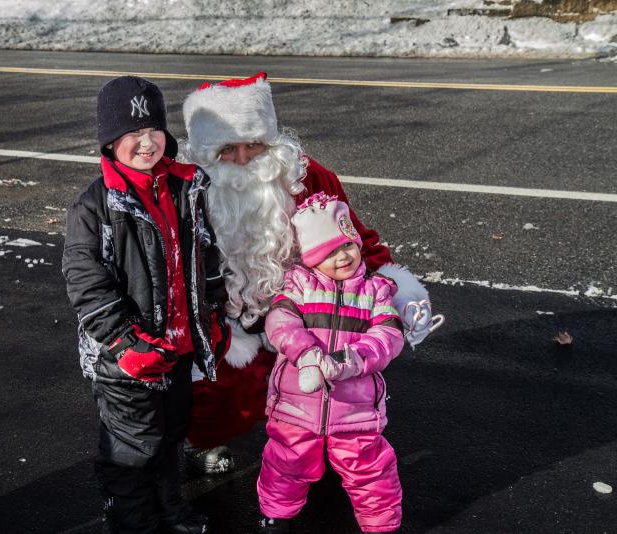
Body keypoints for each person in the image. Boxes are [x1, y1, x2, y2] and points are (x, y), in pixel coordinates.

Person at [179, 72, 438, 472]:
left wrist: (397, 290)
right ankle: (202, 442)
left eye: (255, 145)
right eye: (229, 149)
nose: (245, 159)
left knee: (331, 374)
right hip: (219, 318)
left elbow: (353, 236)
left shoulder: (303, 175)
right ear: (206, 152)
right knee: (215, 395)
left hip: (305, 307)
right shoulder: (185, 190)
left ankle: (327, 440)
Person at [62, 76, 228, 534]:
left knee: (171, 436)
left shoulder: (185, 188)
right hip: (126, 359)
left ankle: (171, 510)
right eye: (133, 134)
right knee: (133, 448)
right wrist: (122, 341)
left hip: (177, 349)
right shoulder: (96, 205)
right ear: (111, 141)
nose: (146, 142)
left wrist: (213, 314)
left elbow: (206, 256)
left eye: (153, 130)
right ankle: (135, 523)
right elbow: (86, 281)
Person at [258, 192, 405, 533]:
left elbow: (389, 335)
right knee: (285, 463)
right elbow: (280, 322)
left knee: (370, 470)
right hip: (296, 408)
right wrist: (307, 356)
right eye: (330, 251)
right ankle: (275, 517)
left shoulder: (376, 290)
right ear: (310, 257)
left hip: (355, 411)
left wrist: (348, 361)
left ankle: (381, 525)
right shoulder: (298, 285)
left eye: (348, 246)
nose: (343, 257)